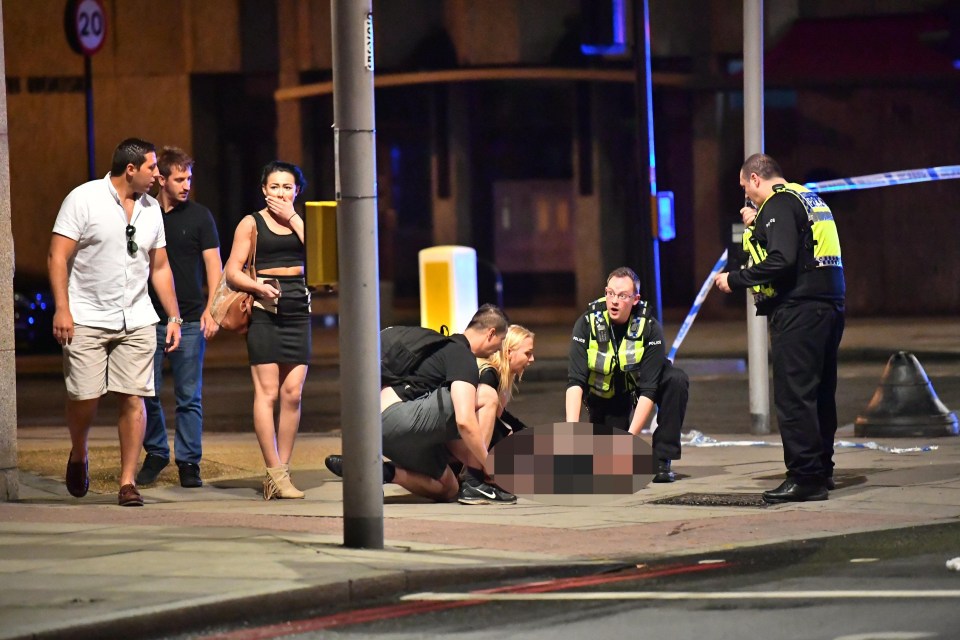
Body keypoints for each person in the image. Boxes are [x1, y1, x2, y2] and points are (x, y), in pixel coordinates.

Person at [49, 138, 182, 507]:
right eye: (153, 168)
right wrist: (63, 308)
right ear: (131, 169)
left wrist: (173, 315)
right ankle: (79, 453)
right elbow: (57, 256)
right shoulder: (83, 199)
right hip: (87, 316)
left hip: (137, 317)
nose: (158, 175)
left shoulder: (151, 208)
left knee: (133, 399)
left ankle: (128, 481)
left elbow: (159, 266)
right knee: (84, 397)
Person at [714, 153, 845, 504]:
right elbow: (802, 248)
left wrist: (736, 279)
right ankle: (821, 470)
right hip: (828, 305)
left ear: (756, 179)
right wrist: (757, 226)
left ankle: (804, 478)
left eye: (745, 189)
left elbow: (781, 260)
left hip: (800, 309)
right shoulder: (806, 197)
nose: (746, 197)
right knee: (819, 393)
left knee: (794, 396)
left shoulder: (777, 204)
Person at [325, 305, 510, 503]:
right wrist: (487, 467)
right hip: (394, 417)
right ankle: (475, 484)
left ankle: (382, 472)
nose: (498, 350)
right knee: (487, 395)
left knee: (448, 488)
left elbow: (453, 432)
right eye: (500, 342)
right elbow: (465, 421)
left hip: (378, 432)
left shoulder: (440, 349)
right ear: (491, 334)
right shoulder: (462, 355)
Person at [223, 161, 311, 500]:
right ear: (263, 189)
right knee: (268, 393)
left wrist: (293, 218)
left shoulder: (303, 222)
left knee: (293, 394)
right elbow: (232, 271)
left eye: (287, 187)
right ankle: (274, 471)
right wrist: (258, 286)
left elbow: (322, 257)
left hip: (298, 309)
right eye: (274, 187)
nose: (280, 193)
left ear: (297, 191)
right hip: (264, 310)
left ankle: (281, 473)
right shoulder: (251, 223)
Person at [135, 147, 222, 489]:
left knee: (189, 396)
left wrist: (211, 310)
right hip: (148, 318)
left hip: (187, 321)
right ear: (162, 179)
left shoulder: (200, 217)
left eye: (190, 178)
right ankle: (156, 452)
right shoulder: (144, 214)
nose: (187, 185)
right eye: (180, 178)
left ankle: (189, 461)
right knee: (147, 391)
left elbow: (214, 267)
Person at [566, 267, 688, 483]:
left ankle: (662, 459)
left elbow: (649, 389)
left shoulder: (649, 328)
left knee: (675, 379)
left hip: (637, 388)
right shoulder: (587, 324)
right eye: (610, 293)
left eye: (622, 296)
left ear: (635, 299)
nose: (614, 301)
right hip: (606, 395)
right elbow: (575, 382)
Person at [475, 323, 535, 452]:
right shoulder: (488, 375)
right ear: (508, 352)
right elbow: (479, 418)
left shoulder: (499, 375)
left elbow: (501, 415)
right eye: (527, 353)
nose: (532, 359)